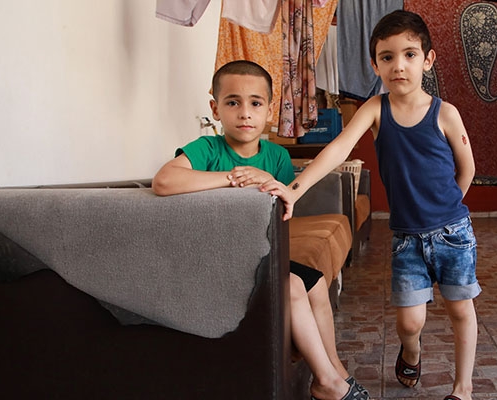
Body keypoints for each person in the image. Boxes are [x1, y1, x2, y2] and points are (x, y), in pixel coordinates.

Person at [261, 10, 480, 400]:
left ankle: (462, 389)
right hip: (407, 238)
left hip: (453, 234)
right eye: (387, 57)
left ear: (428, 60)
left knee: (461, 309)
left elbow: (467, 168)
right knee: (410, 323)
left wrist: (447, 209)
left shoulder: (445, 114)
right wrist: (294, 189)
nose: (399, 66)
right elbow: (337, 150)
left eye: (410, 55)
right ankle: (411, 352)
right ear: (374, 64)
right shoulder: (375, 110)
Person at [152, 60, 369, 400]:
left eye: (255, 103)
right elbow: (164, 181)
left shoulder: (277, 156)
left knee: (313, 282)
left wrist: (268, 182)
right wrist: (233, 177)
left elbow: (280, 214)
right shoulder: (206, 150)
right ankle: (326, 385)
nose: (244, 113)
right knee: (294, 285)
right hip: (215, 260)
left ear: (269, 111)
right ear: (215, 108)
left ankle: (336, 369)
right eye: (232, 102)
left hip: (258, 255)